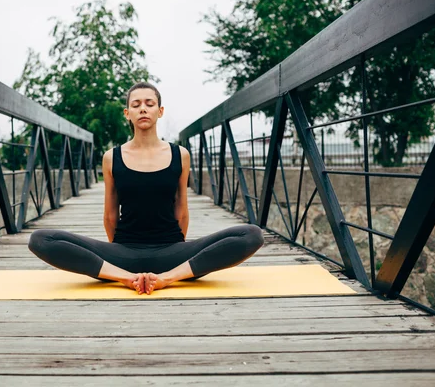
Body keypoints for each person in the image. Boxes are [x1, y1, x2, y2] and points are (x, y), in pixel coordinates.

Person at [28, 82, 264, 295]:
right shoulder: (112, 157)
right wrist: (119, 257)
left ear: (160, 111)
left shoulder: (180, 155)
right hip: (123, 253)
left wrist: (177, 252)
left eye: (150, 104)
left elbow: (181, 209)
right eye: (136, 104)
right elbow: (110, 215)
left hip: (172, 253)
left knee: (251, 235)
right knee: (41, 239)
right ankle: (125, 278)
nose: (143, 109)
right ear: (127, 113)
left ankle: (167, 279)